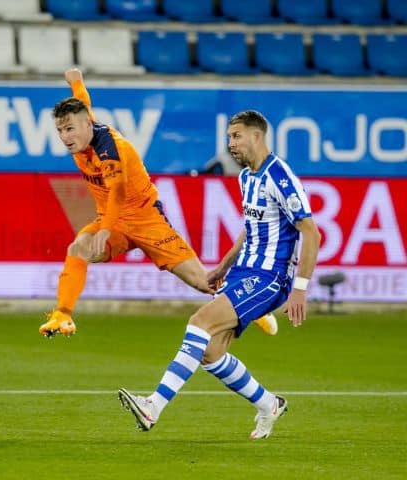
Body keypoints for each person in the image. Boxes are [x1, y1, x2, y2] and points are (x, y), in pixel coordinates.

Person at [118, 110, 321, 440]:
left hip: (271, 278)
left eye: (236, 137)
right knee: (211, 352)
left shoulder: (279, 176)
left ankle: (152, 406)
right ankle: (269, 404)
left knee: (199, 322)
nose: (231, 145)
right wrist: (224, 267)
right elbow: (250, 230)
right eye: (229, 137)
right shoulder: (245, 178)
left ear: (257, 136)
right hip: (243, 272)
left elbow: (310, 231)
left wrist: (300, 288)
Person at [39, 70, 278, 338]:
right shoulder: (84, 128)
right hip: (115, 223)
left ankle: (254, 306)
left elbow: (117, 192)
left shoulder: (110, 148)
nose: (64, 136)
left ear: (86, 125)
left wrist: (105, 229)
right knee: (79, 248)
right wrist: (76, 81)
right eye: (60, 130)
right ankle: (63, 315)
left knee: (203, 281)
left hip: (146, 220)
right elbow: (82, 100)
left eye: (69, 129)